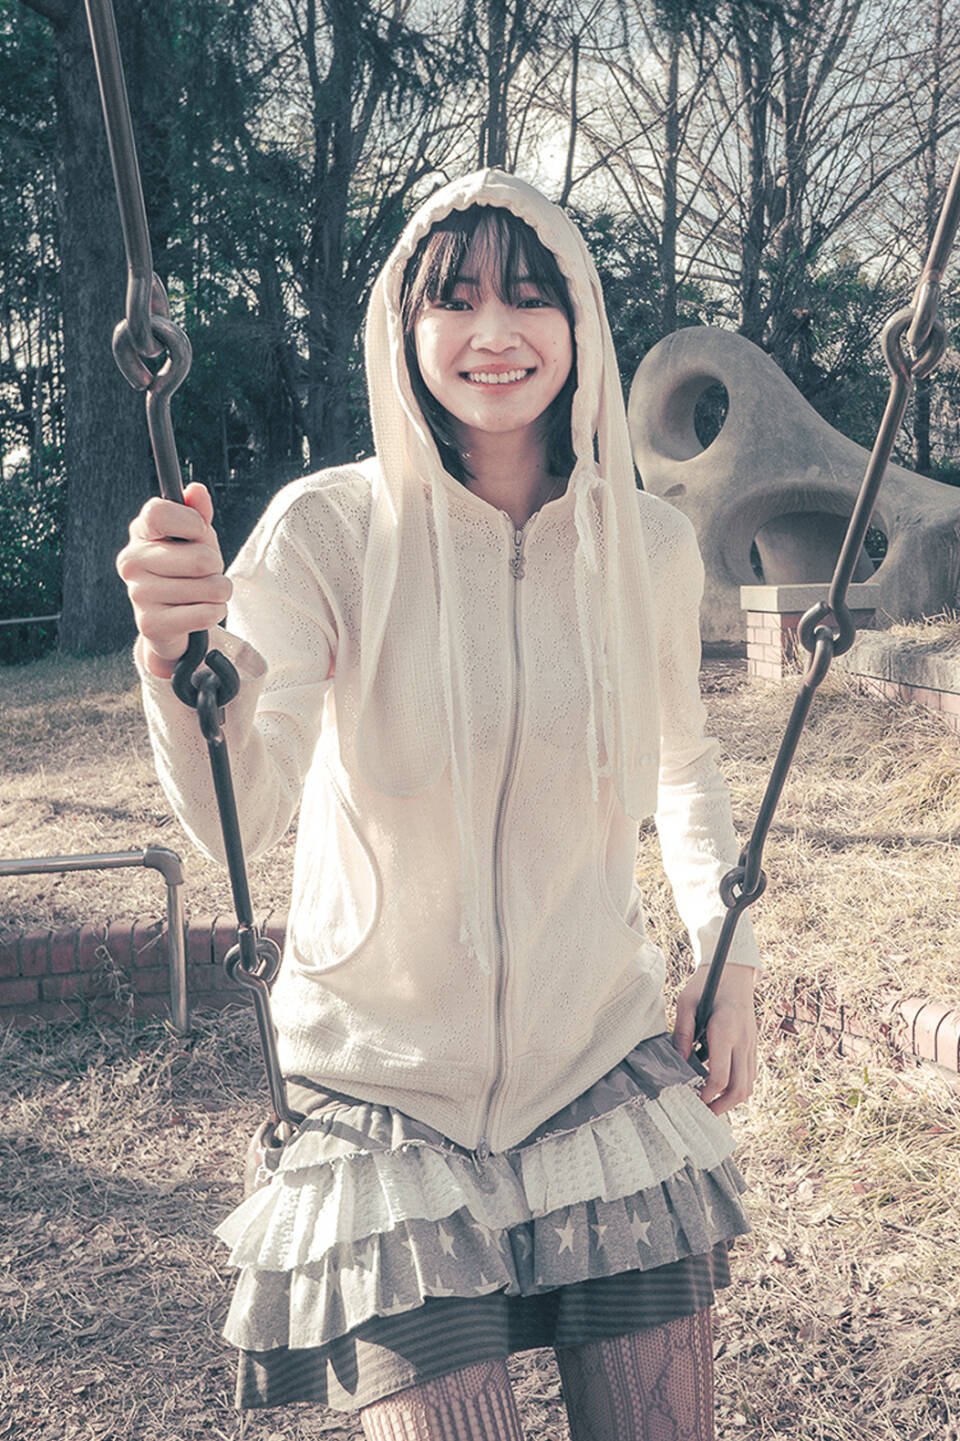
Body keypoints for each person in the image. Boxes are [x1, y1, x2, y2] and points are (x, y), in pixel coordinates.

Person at [117, 170, 760, 1441]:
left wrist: (727, 956)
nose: (494, 331)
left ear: (579, 319)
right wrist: (173, 667)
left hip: (595, 1066)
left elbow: (683, 766)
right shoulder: (327, 534)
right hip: (383, 1097)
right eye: (454, 300)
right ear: (404, 332)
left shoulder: (649, 547)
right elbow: (241, 810)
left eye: (530, 296)